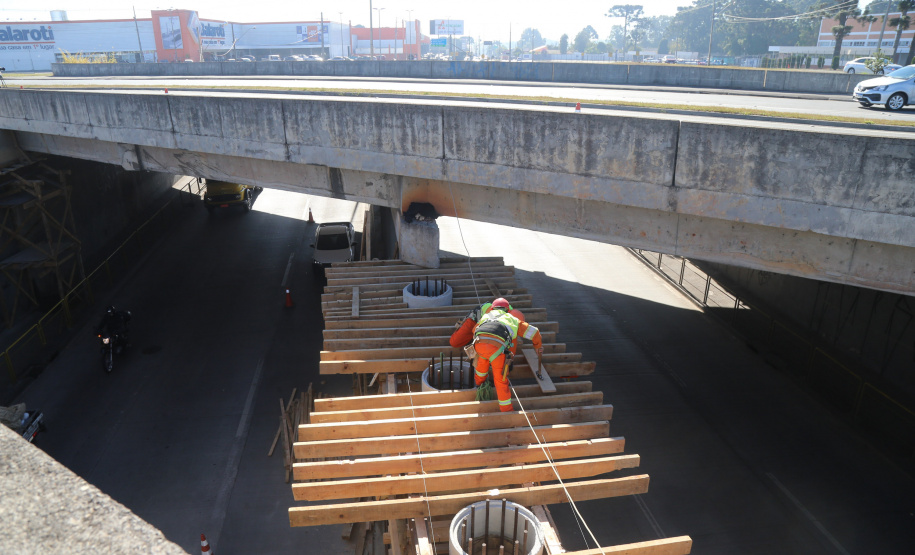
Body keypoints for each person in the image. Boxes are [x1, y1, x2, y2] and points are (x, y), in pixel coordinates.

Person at [471, 300, 542, 412]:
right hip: (497, 349)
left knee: (482, 366)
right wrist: (537, 346)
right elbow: (534, 332)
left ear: (493, 308)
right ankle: (506, 409)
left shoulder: (486, 316)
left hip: (479, 345)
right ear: (508, 310)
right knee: (500, 380)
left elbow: (474, 330)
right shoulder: (512, 319)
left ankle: (479, 385)